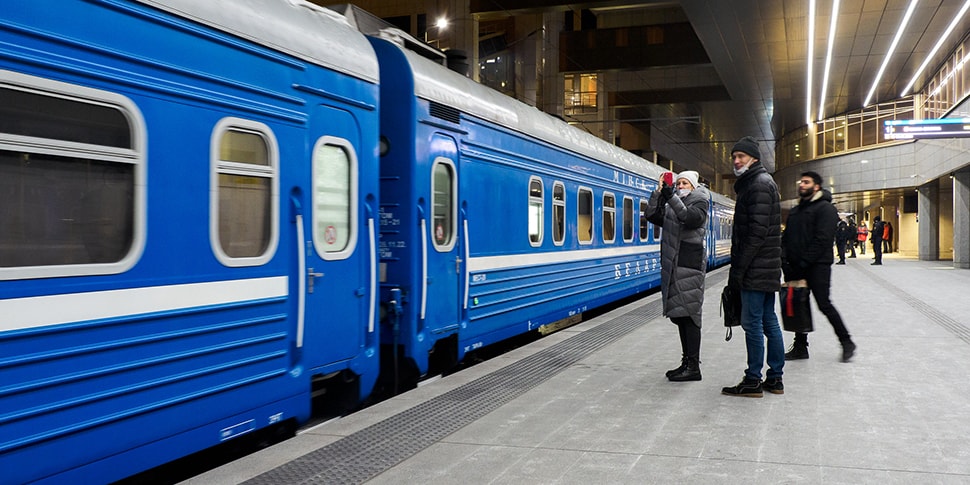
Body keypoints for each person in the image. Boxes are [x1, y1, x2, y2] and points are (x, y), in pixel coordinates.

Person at [722, 136, 784, 398]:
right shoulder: (760, 182)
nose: (737, 161)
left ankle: (753, 379)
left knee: (753, 324)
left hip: (756, 269)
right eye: (734, 156)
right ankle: (775, 379)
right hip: (765, 268)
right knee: (769, 321)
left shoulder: (757, 185)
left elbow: (756, 234)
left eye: (742, 156)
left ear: (754, 158)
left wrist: (739, 269)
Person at [781, 172, 857, 362]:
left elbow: (822, 239)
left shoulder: (825, 209)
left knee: (824, 304)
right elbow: (787, 237)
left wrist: (803, 263)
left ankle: (847, 342)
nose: (802, 184)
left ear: (816, 186)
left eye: (806, 182)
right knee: (799, 304)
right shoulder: (797, 210)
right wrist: (785, 260)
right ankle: (800, 346)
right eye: (801, 181)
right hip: (795, 267)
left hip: (818, 266)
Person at [644, 170, 709, 382]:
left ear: (693, 185)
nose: (681, 186)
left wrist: (671, 196)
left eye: (684, 183)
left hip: (689, 265)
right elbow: (652, 215)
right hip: (675, 264)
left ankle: (693, 366)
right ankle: (687, 362)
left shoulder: (701, 200)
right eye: (678, 183)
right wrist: (659, 192)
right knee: (681, 316)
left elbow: (690, 219)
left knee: (690, 316)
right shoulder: (675, 204)